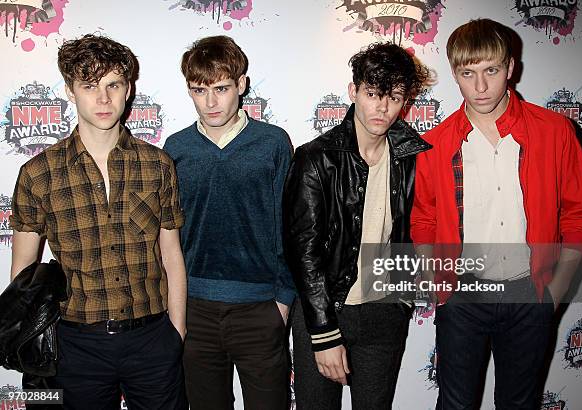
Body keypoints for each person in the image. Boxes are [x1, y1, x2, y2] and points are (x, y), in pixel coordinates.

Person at [410, 18, 582, 409]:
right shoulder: (434, 143)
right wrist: (438, 283)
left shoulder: (555, 131)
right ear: (455, 74)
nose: (480, 87)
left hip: (529, 293)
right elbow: (423, 219)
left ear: (510, 68)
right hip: (462, 295)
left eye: (491, 71)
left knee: (520, 404)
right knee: (455, 405)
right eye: (468, 73)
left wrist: (556, 290)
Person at [10, 34, 188, 409]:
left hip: (152, 338)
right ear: (70, 92)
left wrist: (177, 330)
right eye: (89, 86)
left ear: (128, 89)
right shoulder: (38, 173)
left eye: (113, 85)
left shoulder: (158, 165)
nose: (103, 99)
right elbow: (23, 275)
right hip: (75, 347)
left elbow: (171, 255)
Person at [283, 42, 431, 409]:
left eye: (394, 97)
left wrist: (402, 300)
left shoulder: (413, 157)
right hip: (327, 309)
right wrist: (323, 332)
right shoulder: (316, 157)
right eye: (372, 94)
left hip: (385, 312)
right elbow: (303, 251)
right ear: (354, 91)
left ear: (405, 101)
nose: (381, 107)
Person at [163, 35, 295, 410]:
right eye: (199, 90)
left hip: (260, 310)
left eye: (221, 88)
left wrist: (283, 301)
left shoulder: (272, 143)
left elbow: (290, 225)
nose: (210, 101)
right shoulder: (176, 148)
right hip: (194, 310)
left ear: (241, 84)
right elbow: (167, 235)